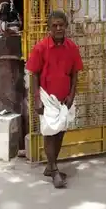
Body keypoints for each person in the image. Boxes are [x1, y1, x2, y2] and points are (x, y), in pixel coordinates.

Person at [25, 10, 83, 188]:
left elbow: (74, 74)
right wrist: (36, 99)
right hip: (46, 97)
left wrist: (72, 95)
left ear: (66, 26)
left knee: (60, 131)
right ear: (49, 28)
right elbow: (34, 74)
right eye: (54, 25)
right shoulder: (40, 47)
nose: (58, 28)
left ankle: (50, 166)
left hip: (64, 99)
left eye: (61, 25)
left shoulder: (72, 48)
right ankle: (55, 170)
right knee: (50, 132)